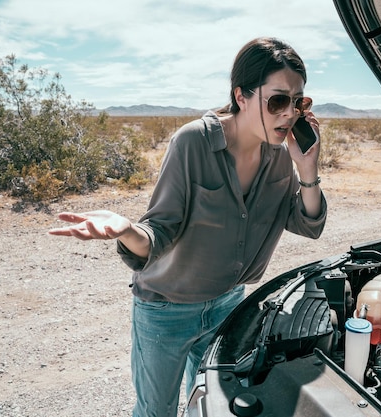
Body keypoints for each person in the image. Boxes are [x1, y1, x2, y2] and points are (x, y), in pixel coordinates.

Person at [48, 37, 327, 417]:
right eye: (277, 101)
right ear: (241, 96)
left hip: (230, 304)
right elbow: (158, 233)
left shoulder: (280, 156)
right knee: (156, 411)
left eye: (299, 103)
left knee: (211, 406)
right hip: (166, 309)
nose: (288, 115)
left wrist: (307, 170)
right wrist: (126, 229)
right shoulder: (193, 142)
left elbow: (307, 224)